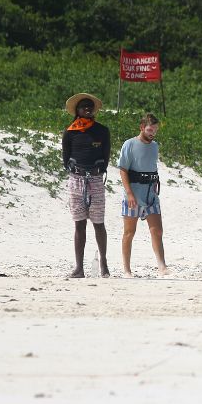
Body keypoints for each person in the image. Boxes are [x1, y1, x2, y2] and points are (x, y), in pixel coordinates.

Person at [62, 93, 110, 278]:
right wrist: (77, 171)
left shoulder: (102, 131)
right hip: (76, 181)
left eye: (90, 106)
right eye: (84, 106)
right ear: (77, 110)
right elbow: (66, 159)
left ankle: (104, 263)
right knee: (79, 224)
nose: (88, 109)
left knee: (99, 223)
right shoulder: (70, 132)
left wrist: (97, 171)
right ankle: (79, 268)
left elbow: (106, 157)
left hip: (96, 180)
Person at [117, 113, 169, 277]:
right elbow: (123, 170)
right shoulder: (129, 144)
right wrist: (129, 194)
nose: (153, 133)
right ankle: (127, 269)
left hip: (151, 195)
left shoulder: (155, 146)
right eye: (150, 130)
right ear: (142, 127)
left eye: (155, 130)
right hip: (133, 195)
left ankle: (162, 266)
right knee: (129, 232)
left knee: (157, 231)